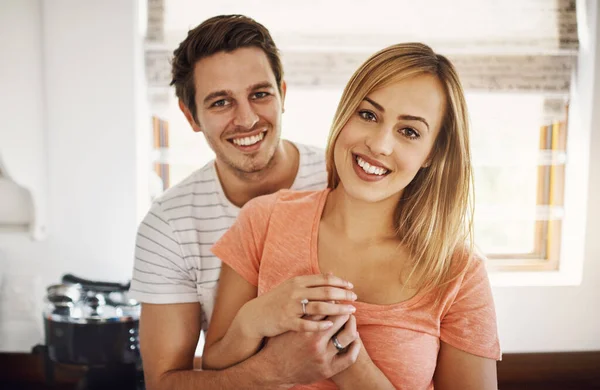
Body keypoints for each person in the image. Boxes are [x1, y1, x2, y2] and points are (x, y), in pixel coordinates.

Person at [205, 42, 502, 389]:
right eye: (368, 115)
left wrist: (350, 365)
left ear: (431, 154)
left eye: (409, 132)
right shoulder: (263, 220)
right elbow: (214, 367)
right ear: (345, 115)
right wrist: (254, 320)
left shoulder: (459, 273)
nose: (379, 144)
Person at [128, 15, 360, 389]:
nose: (247, 118)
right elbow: (165, 383)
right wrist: (272, 371)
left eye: (260, 94)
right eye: (221, 102)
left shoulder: (346, 180)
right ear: (191, 117)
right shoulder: (168, 226)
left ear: (282, 93)